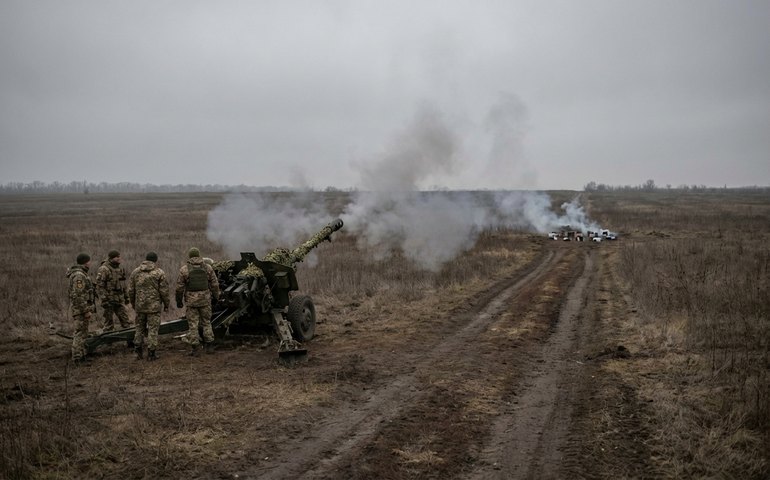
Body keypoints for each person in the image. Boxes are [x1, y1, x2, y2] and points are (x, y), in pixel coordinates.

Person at [176, 247, 220, 356]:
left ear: (190, 256)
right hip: (205, 300)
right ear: (199, 255)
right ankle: (209, 346)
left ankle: (195, 349)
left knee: (193, 325)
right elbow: (215, 285)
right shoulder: (208, 267)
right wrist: (216, 297)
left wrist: (179, 301)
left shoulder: (184, 269)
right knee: (206, 323)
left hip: (191, 302)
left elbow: (179, 288)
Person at [128, 251, 170, 361]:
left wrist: (134, 304)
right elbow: (164, 291)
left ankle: (137, 352)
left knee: (139, 329)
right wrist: (166, 304)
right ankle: (151, 354)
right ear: (155, 260)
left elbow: (131, 291)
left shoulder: (135, 272)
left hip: (140, 306)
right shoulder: (159, 273)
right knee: (153, 330)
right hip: (154, 307)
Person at [66, 252, 96, 363]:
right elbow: (78, 295)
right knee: (80, 333)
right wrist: (86, 310)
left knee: (83, 333)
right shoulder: (79, 275)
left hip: (80, 309)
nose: (90, 263)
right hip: (80, 310)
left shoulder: (81, 274)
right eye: (89, 261)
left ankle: (82, 355)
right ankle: (77, 358)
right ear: (86, 262)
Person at [95, 249, 131, 332]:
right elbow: (100, 286)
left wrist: (126, 298)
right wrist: (104, 299)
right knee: (108, 324)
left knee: (126, 321)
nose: (119, 258)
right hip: (108, 301)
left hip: (119, 300)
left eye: (119, 256)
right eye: (117, 257)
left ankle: (130, 342)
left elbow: (123, 285)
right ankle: (108, 343)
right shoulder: (104, 269)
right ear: (111, 258)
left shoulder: (119, 269)